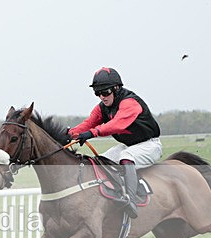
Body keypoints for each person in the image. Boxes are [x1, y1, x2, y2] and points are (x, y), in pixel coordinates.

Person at [68, 67, 162, 218]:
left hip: (149, 145)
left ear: (117, 88)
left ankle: (131, 201)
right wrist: (69, 134)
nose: (102, 97)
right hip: (129, 146)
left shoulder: (130, 103)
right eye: (97, 93)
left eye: (105, 92)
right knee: (99, 161)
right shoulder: (102, 107)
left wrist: (92, 133)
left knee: (126, 157)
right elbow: (88, 123)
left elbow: (116, 125)